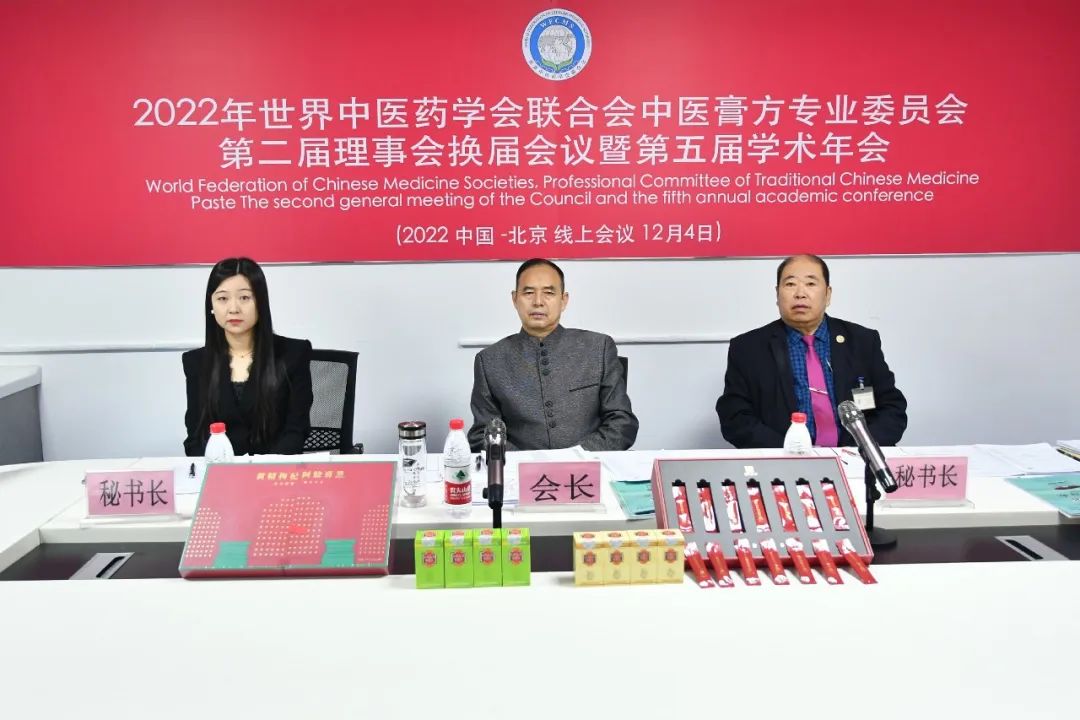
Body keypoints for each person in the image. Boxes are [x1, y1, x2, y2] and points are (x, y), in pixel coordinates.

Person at [716, 254, 907, 449]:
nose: (800, 293)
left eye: (810, 283)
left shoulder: (862, 341)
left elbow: (892, 408)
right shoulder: (748, 348)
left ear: (828, 294)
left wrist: (859, 448)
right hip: (783, 458)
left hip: (856, 456)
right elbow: (735, 417)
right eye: (790, 284)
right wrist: (789, 451)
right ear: (777, 294)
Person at [468, 258, 638, 452]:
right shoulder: (490, 361)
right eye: (528, 293)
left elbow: (622, 423)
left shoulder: (598, 348)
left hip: (589, 465)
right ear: (515, 299)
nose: (538, 302)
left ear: (563, 300)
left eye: (549, 293)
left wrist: (576, 457)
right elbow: (482, 434)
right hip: (519, 468)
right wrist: (526, 462)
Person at [183, 257, 313, 456]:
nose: (233, 308)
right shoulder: (196, 362)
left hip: (274, 469)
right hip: (221, 470)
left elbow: (296, 430)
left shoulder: (294, 353)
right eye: (223, 299)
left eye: (244, 297)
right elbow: (196, 436)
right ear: (212, 305)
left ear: (261, 302)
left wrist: (262, 470)